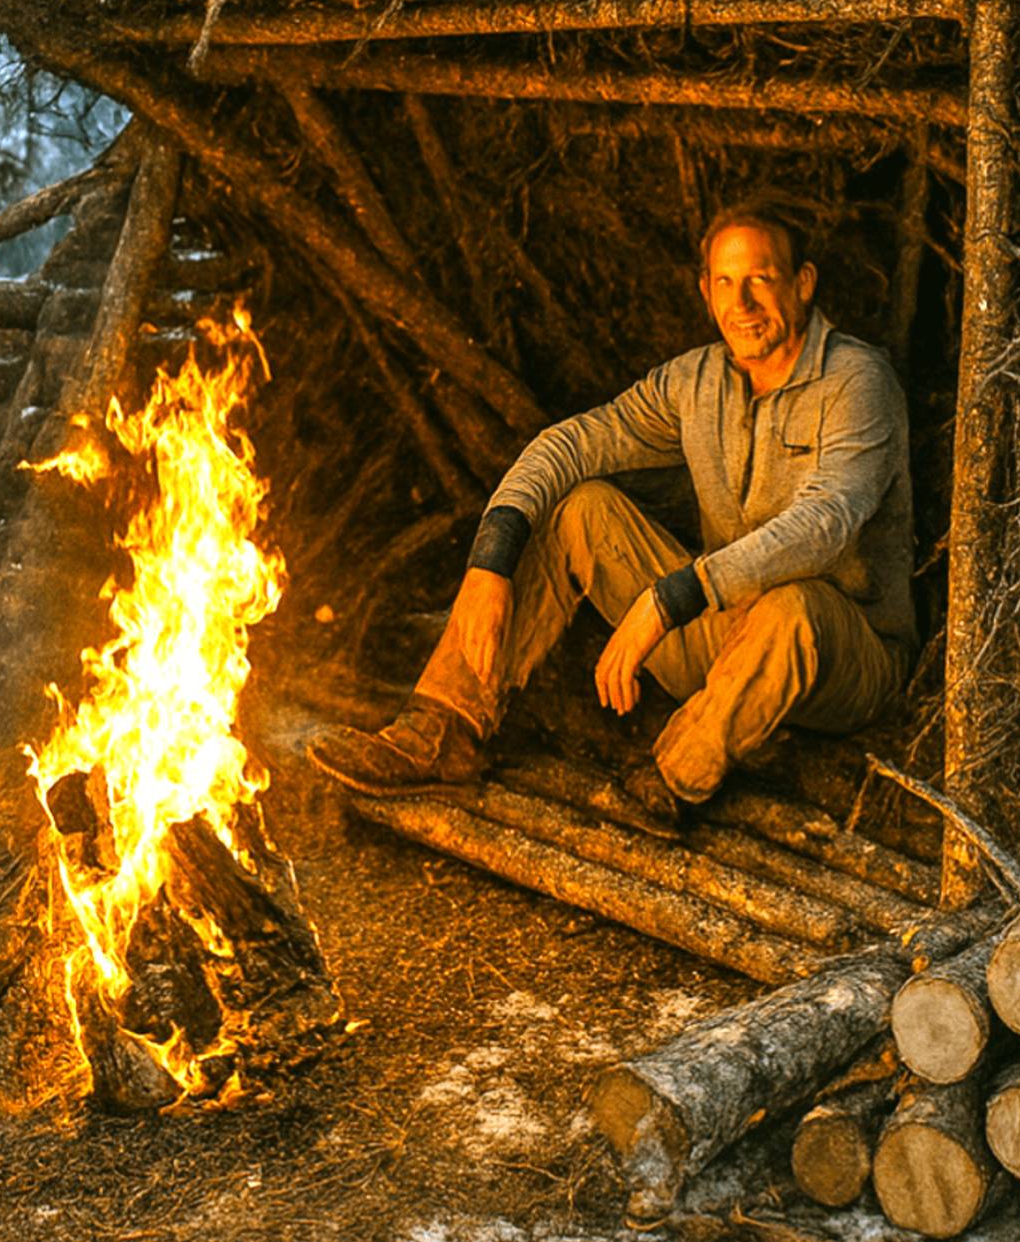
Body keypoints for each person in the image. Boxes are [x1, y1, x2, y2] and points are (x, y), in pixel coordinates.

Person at [309, 191, 915, 830]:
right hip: (722, 636)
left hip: (845, 656)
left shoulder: (858, 381)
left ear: (803, 283)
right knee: (581, 508)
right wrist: (491, 560)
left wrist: (670, 598)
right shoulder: (696, 381)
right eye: (726, 283)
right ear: (705, 291)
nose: (741, 305)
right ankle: (444, 726)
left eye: (760, 280)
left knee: (796, 606)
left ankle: (674, 777)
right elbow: (571, 444)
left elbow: (825, 524)